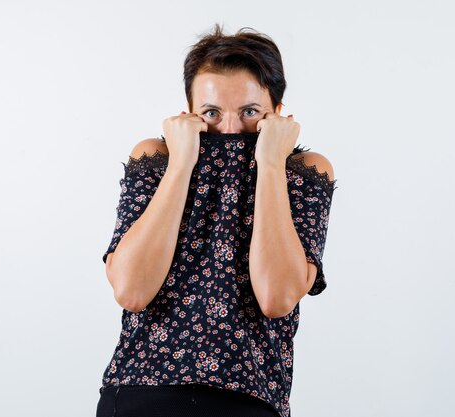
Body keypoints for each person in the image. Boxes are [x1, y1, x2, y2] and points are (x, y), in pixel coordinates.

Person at [96, 23, 337, 417]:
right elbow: (131, 290)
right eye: (211, 112)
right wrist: (182, 164)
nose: (228, 129)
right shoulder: (156, 159)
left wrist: (271, 163)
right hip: (141, 391)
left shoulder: (304, 171)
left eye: (249, 113)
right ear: (187, 114)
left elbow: (276, 298)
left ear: (277, 114)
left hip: (249, 399)